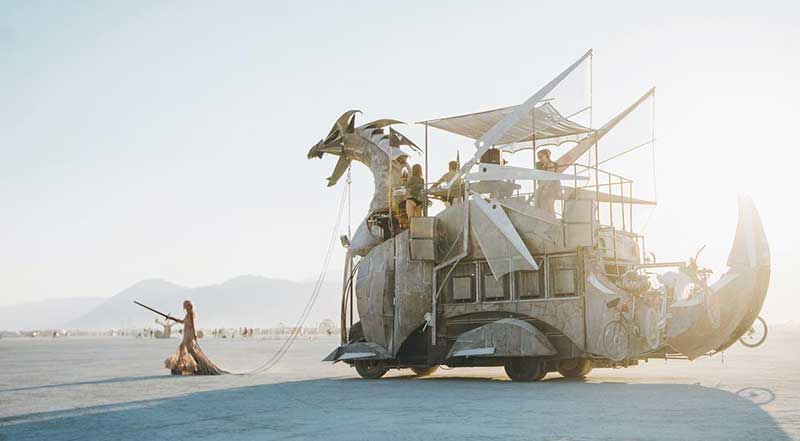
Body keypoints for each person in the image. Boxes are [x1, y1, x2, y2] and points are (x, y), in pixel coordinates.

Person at [164, 300, 225, 375]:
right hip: (186, 334)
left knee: (187, 350)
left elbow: (192, 325)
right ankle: (184, 367)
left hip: (189, 335)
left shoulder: (191, 314)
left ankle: (194, 367)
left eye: (189, 305)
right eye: (187, 305)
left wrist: (194, 335)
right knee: (187, 350)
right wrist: (171, 318)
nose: (189, 306)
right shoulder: (187, 314)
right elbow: (182, 322)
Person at [534, 149, 561, 215]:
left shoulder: (550, 164)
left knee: (548, 207)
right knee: (539, 205)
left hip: (549, 188)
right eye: (538, 157)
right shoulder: (539, 166)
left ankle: (552, 222)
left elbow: (550, 178)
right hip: (542, 187)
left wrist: (545, 189)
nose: (539, 158)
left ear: (546, 156)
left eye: (541, 156)